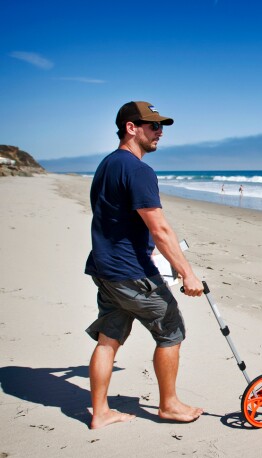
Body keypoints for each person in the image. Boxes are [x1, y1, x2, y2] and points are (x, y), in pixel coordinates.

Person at [84, 101, 205, 429]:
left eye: (161, 126)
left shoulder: (107, 165)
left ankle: (100, 412)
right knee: (171, 330)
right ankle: (169, 405)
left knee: (108, 338)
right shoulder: (139, 171)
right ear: (131, 128)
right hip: (131, 273)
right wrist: (188, 273)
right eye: (152, 125)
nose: (159, 132)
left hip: (105, 268)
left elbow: (115, 219)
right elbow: (160, 229)